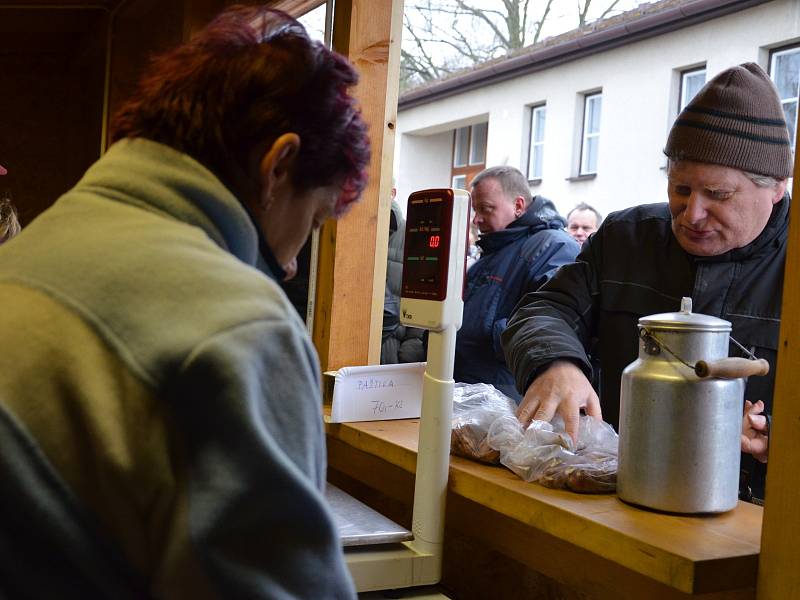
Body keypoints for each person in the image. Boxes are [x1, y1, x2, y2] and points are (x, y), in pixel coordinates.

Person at [0, 7, 369, 597]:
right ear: (279, 165)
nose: (295, 263)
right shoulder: (240, 325)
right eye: (314, 221)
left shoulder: (27, 255)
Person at [503, 63, 791, 504]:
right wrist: (556, 362)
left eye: (718, 195)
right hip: (613, 498)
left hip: (757, 527)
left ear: (776, 188)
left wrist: (779, 436)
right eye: (680, 188)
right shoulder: (626, 238)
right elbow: (544, 309)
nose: (692, 213)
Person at [455, 166, 579, 400]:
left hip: (505, 396)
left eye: (486, 209)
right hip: (476, 389)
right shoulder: (496, 248)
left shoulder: (554, 247)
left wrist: (482, 331)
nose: (476, 219)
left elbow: (554, 321)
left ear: (519, 206)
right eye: (475, 209)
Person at [381, 186, 425, 364]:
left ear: (392, 193)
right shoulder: (348, 232)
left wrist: (406, 361)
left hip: (391, 358)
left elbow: (421, 308)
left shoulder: (414, 237)